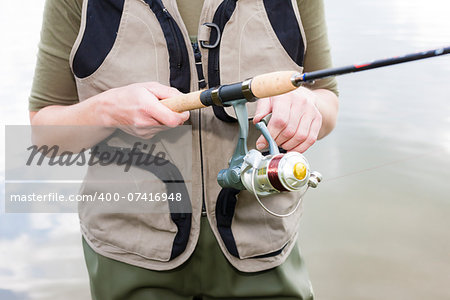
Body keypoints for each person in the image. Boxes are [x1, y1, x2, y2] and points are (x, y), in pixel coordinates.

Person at [29, 0, 339, 299]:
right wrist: (106, 111)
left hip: (265, 252)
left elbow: (327, 101)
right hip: (128, 262)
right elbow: (45, 136)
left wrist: (308, 105)